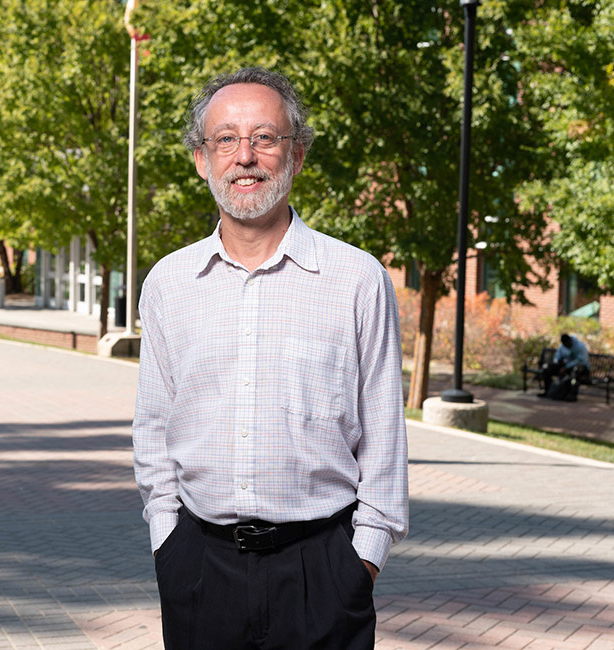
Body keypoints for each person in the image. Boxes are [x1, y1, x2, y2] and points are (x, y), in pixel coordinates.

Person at [132, 67, 409, 650]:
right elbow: (154, 427)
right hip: (199, 569)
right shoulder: (168, 282)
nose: (246, 157)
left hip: (324, 574)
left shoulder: (357, 279)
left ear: (296, 155)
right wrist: (167, 541)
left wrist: (362, 562)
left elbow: (383, 437)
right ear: (202, 160)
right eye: (225, 139)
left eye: (265, 137)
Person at [540, 333, 590, 398]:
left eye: (567, 345)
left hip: (581, 368)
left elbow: (581, 361)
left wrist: (566, 367)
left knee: (575, 372)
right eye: (565, 345)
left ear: (570, 341)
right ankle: (548, 391)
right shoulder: (562, 346)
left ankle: (572, 395)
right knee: (547, 369)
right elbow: (557, 356)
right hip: (565, 367)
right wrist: (557, 362)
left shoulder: (580, 346)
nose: (566, 346)